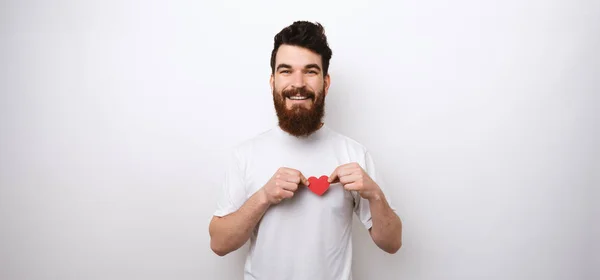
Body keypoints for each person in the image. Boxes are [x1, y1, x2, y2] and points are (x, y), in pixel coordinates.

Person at [208, 21, 402, 280]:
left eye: (310, 71)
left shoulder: (354, 154)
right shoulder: (245, 155)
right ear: (273, 80)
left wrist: (375, 195)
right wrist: (264, 196)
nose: (297, 84)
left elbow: (392, 243)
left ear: (326, 81)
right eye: (286, 71)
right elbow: (219, 244)